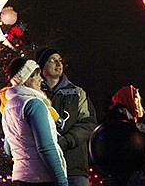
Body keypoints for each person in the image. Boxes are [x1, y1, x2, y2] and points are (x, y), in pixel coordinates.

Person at [0, 57, 68, 185]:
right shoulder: (34, 104)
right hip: (41, 178)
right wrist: (61, 181)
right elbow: (45, 147)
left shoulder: (8, 106)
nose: (40, 80)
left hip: (20, 177)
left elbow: (8, 148)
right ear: (25, 80)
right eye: (36, 76)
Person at [35, 47, 97, 186]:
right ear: (41, 67)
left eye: (60, 60)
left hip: (74, 169)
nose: (58, 64)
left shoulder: (77, 93)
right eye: (53, 60)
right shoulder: (35, 95)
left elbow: (88, 123)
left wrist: (67, 140)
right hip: (44, 171)